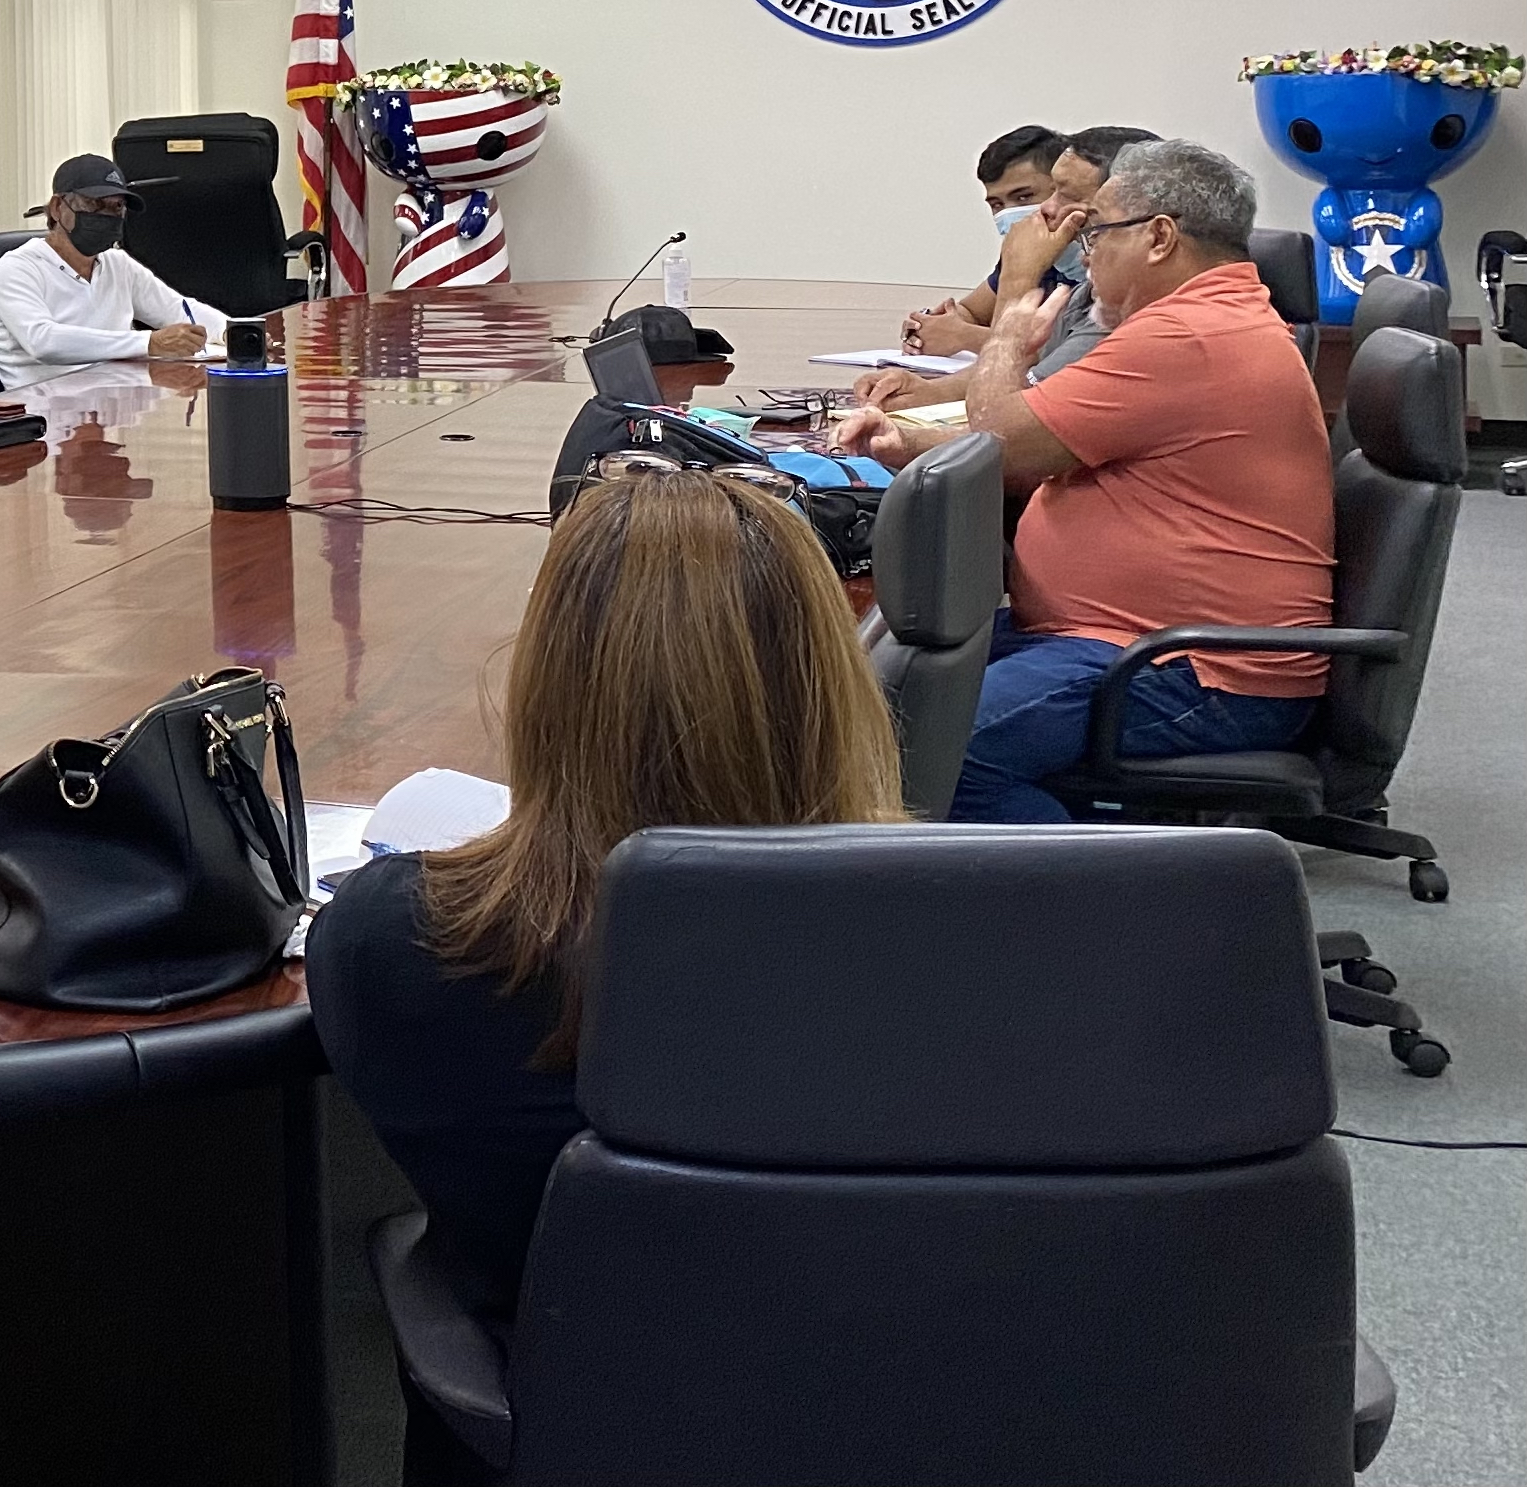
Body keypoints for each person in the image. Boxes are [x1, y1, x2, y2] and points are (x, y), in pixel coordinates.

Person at [305, 468, 903, 1415]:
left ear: (548, 682)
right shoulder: (949, 957)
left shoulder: (399, 943)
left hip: (582, 1427)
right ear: (830, 681)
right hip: (888, 1416)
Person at [833, 140, 1333, 822]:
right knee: (864, 695)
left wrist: (1011, 318)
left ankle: (1104, 890)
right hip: (1123, 639)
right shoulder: (1197, 321)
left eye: (1096, 233)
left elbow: (1000, 437)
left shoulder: (1187, 336)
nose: (1084, 254)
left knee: (931, 748)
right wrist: (906, 442)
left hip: (1195, 669)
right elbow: (1041, 436)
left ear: (1159, 237)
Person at [901, 125, 1154, 360]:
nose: (1010, 214)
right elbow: (972, 312)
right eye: (997, 204)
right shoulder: (1032, 250)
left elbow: (1043, 356)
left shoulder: (1114, 271)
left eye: (1023, 197)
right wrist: (932, 324)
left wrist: (963, 336)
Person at [0, 152, 228, 390]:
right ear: (58, 208)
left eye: (117, 207)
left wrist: (232, 333)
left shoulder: (117, 264)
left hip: (115, 399)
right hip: (42, 408)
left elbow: (178, 309)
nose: (107, 216)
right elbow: (43, 341)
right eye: (95, 204)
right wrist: (149, 342)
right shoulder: (18, 268)